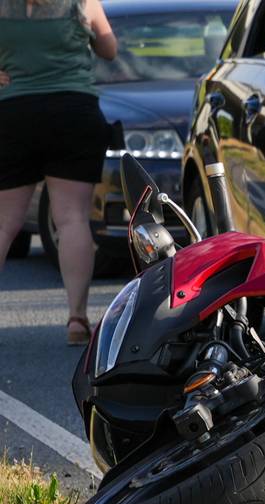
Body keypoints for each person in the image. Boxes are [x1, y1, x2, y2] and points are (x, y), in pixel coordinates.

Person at [0, 0, 117, 345]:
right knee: (72, 219)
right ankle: (77, 319)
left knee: (5, 223)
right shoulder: (82, 2)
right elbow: (109, 49)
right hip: (73, 110)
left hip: (14, 111)